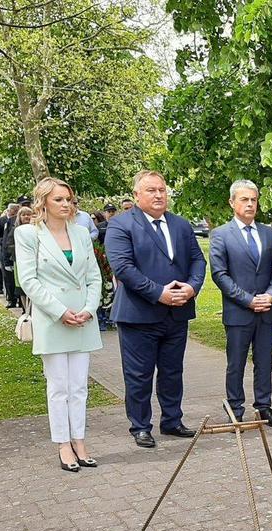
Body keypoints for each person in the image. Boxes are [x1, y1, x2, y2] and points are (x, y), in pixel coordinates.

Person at [105, 170, 206, 448]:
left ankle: (172, 420)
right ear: (137, 195)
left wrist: (192, 287)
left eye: (162, 189)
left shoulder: (181, 225)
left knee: (173, 371)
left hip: (177, 312)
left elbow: (198, 260)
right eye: (151, 190)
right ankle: (140, 425)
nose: (159, 195)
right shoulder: (121, 225)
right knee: (139, 374)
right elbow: (123, 268)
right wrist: (158, 293)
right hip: (139, 314)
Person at [14, 177, 103, 472]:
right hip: (53, 319)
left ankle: (79, 439)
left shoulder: (79, 233)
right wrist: (60, 311)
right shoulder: (29, 234)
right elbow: (29, 280)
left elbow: (93, 276)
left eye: (69, 199)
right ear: (43, 203)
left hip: (83, 319)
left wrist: (90, 309)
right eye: (59, 200)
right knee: (59, 386)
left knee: (79, 386)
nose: (66, 204)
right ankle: (63, 443)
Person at [210, 180, 272, 426]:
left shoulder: (268, 233)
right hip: (239, 312)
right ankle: (235, 409)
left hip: (267, 310)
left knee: (265, 362)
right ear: (232, 202)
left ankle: (264, 406)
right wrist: (248, 300)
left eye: (254, 199)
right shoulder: (221, 235)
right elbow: (220, 275)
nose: (250, 204)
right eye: (244, 199)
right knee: (236, 364)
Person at [0, 203, 21, 307]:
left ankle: (20, 299)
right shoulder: (3, 221)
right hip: (6, 252)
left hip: (19, 253)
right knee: (9, 278)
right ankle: (11, 299)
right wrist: (7, 245)